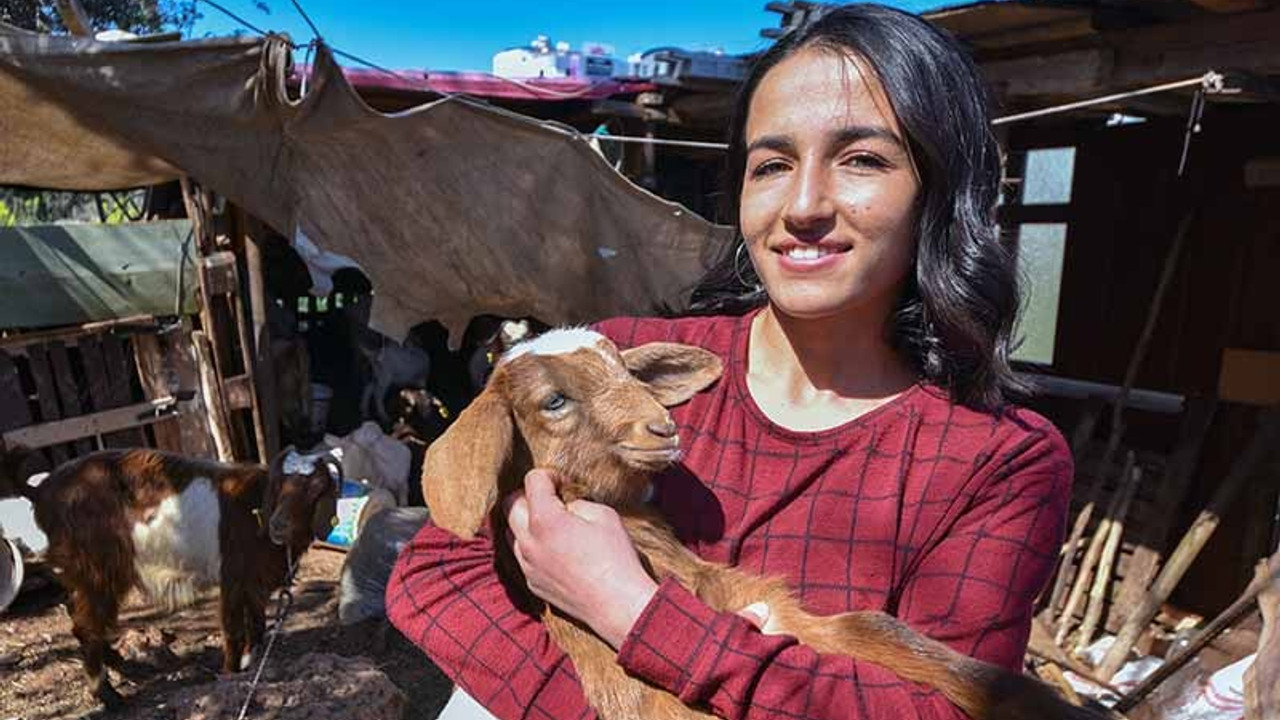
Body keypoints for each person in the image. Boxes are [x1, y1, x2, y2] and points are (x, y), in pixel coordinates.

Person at [385, 4, 1073, 719]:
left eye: (863, 158)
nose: (803, 204)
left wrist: (633, 613)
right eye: (771, 164)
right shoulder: (611, 366)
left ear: (941, 188)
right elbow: (437, 576)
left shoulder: (997, 461)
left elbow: (944, 713)